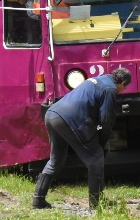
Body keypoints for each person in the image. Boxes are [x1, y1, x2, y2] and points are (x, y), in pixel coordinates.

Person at [32, 67, 131, 211]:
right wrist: (102, 143)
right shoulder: (110, 89)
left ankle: (38, 200)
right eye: (125, 87)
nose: (123, 90)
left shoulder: (98, 79)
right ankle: (96, 203)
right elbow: (106, 120)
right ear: (122, 83)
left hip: (52, 114)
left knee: (55, 160)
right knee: (96, 157)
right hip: (70, 119)